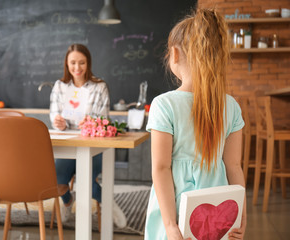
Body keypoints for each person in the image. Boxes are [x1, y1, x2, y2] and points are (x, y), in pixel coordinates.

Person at [144, 9, 246, 240]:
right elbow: (234, 166)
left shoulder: (164, 105)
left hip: (175, 209)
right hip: (218, 210)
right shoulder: (231, 106)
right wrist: (240, 216)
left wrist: (170, 226)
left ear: (175, 54)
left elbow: (161, 168)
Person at [49, 43, 126, 228]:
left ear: (88, 63)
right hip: (69, 144)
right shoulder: (60, 86)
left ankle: (109, 204)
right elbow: (54, 114)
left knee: (87, 183)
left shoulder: (100, 87)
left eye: (82, 63)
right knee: (56, 180)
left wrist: (91, 122)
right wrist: (58, 122)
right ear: (66, 64)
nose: (77, 68)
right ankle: (68, 202)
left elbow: (105, 120)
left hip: (93, 145)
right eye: (73, 63)